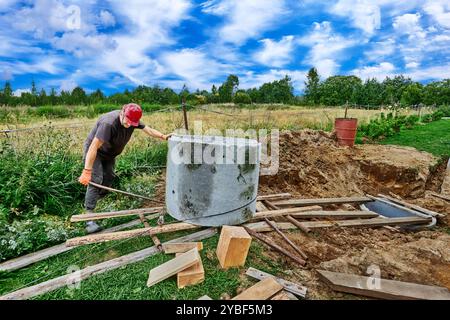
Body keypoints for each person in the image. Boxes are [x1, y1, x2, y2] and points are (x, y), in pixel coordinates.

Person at [78, 103, 172, 233]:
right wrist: (87, 171)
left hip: (110, 154)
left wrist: (163, 136)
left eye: (132, 123)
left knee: (109, 177)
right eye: (127, 121)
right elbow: (93, 147)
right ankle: (89, 217)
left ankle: (95, 198)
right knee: (96, 179)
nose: (129, 125)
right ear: (122, 113)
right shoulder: (109, 124)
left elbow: (148, 130)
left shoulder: (133, 120)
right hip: (96, 153)